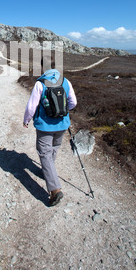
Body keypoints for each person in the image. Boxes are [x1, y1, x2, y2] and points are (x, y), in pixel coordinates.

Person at [23, 56, 77, 206]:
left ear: (43, 68)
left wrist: (26, 119)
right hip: (62, 124)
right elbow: (73, 102)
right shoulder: (66, 81)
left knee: (44, 153)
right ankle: (48, 172)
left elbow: (31, 106)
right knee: (54, 149)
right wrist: (63, 112)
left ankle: (55, 190)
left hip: (45, 126)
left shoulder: (40, 83)